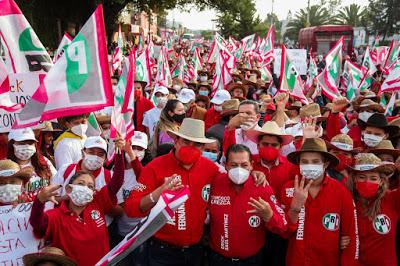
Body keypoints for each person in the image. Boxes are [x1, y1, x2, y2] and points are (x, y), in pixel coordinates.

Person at [124, 118, 267, 266]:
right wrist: (158, 194)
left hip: (196, 251)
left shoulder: (211, 169)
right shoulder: (154, 167)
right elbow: (131, 208)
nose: (191, 147)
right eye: (186, 142)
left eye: (197, 144)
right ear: (176, 141)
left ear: (203, 148)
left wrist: (254, 173)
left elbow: (234, 176)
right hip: (163, 252)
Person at [29, 137, 125, 266]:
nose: (85, 188)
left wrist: (120, 152)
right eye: (81, 184)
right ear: (68, 188)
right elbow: (37, 224)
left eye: (90, 186)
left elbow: (117, 181)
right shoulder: (56, 216)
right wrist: (39, 202)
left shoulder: (97, 203)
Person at [281, 138, 359, 266]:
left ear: (326, 164)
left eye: (315, 161)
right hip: (296, 261)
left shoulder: (341, 191)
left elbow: (351, 236)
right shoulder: (288, 189)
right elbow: (284, 233)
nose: (309, 165)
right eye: (304, 162)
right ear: (299, 164)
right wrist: (295, 208)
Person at [208, 144, 287, 265]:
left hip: (252, 261)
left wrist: (270, 216)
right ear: (226, 166)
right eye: (234, 165)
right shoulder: (215, 183)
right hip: (217, 259)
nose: (239, 169)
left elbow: (282, 226)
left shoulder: (262, 187)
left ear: (251, 165)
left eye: (244, 165)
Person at [346, 153, 399, 266]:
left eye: (373, 178)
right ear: (355, 179)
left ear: (381, 181)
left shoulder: (392, 199)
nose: (367, 182)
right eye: (362, 177)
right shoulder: (347, 202)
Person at [8, 128, 56, 193]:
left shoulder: (43, 161)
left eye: (30, 143)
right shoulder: (4, 165)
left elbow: (56, 182)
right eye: (21, 143)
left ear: (35, 145)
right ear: (11, 145)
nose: (26, 146)